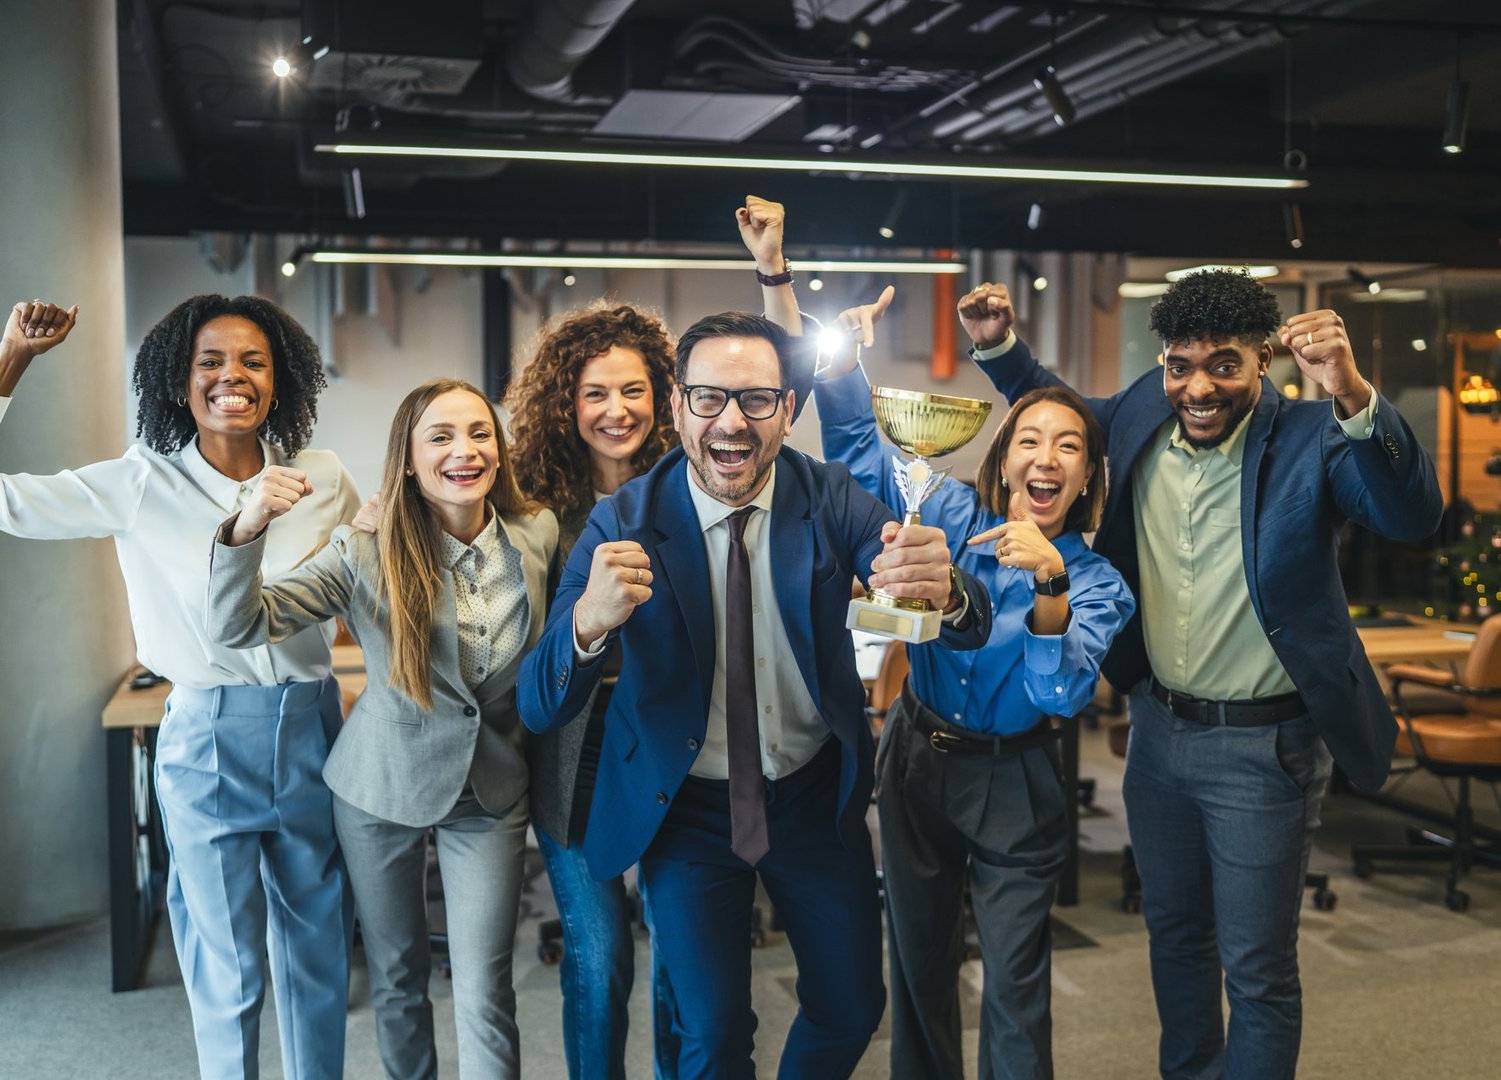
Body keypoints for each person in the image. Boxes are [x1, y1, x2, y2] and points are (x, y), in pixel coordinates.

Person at [963, 271, 1442, 1080]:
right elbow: (1057, 410)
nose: (1198, 385)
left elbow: (1409, 516)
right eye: (1180, 365)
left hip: (1267, 749)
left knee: (1256, 970)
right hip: (1157, 735)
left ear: (1262, 359)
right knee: (1175, 938)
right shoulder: (1142, 414)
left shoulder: (1310, 435)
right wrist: (995, 346)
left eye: (1222, 365)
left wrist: (1352, 389)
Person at [518, 302, 993, 1079]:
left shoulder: (827, 496)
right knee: (710, 1035)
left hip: (811, 799)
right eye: (708, 398)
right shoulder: (622, 520)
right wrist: (587, 627)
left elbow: (962, 620)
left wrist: (942, 590)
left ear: (788, 410)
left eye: (756, 400)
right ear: (677, 407)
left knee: (849, 1008)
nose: (730, 423)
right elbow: (541, 703)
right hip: (688, 810)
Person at [0, 297, 360, 1079]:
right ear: (177, 382)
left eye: (254, 362)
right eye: (211, 363)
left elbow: (364, 588)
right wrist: (11, 356)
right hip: (209, 737)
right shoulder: (138, 482)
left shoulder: (321, 478)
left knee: (319, 952)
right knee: (227, 966)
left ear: (282, 377)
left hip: (313, 731)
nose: (233, 377)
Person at [497, 193, 799, 1080]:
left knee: (683, 960)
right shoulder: (528, 498)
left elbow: (794, 387)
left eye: (633, 389)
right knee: (599, 963)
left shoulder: (698, 474)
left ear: (666, 398)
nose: (616, 409)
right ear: (566, 402)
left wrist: (772, 268)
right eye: (595, 393)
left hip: (677, 741)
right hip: (577, 754)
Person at [820, 285, 1134, 1079]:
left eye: (1068, 446)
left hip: (1015, 775)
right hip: (916, 757)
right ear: (1003, 457)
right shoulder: (949, 514)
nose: (1046, 457)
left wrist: (1051, 585)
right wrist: (845, 356)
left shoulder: (1096, 582)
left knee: (1014, 986)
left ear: (1089, 471)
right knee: (918, 968)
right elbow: (859, 444)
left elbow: (1058, 696)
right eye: (1029, 438)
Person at [207, 379, 559, 1080]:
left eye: (480, 433)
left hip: (489, 790)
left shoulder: (537, 532)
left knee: (486, 983)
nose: (465, 450)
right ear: (407, 458)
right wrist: (245, 529)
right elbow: (238, 624)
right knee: (399, 977)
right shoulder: (361, 550)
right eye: (441, 437)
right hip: (378, 788)